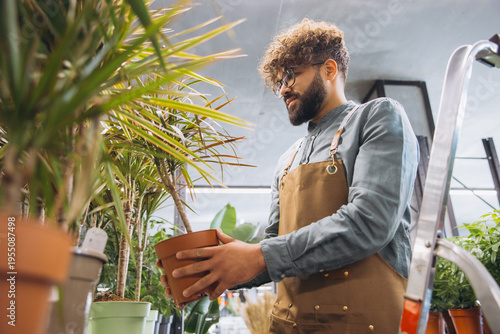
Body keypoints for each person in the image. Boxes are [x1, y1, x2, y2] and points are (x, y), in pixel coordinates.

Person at [157, 18, 419, 333]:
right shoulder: (287, 160)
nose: (283, 89)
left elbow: (370, 222)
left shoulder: (377, 117)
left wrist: (257, 255)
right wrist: (215, 269)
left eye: (291, 75)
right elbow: (275, 248)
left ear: (329, 70)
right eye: (279, 82)